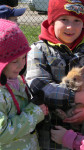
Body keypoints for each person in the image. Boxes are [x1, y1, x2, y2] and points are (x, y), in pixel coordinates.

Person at [25, 0, 84, 149]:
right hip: (53, 130)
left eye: (77, 20)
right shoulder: (38, 49)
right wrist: (75, 97)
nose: (70, 27)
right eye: (64, 19)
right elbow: (38, 85)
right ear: (52, 20)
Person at [0, 19, 49, 150]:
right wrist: (35, 113)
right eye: (15, 61)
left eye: (23, 58)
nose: (22, 65)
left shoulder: (18, 80)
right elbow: (2, 133)